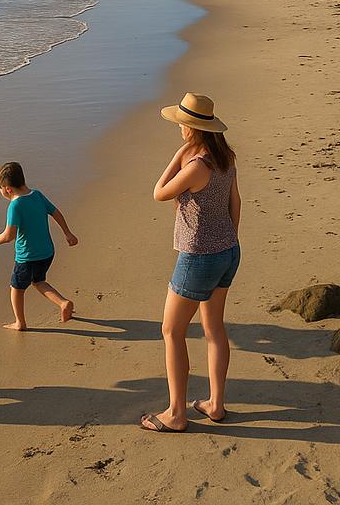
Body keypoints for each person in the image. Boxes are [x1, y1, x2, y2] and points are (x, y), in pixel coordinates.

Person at [140, 93, 240, 434]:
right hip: (228, 251)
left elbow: (159, 192)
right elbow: (235, 202)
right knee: (214, 329)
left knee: (171, 331)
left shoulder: (196, 165)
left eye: (182, 125)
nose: (179, 129)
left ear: (191, 128)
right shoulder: (225, 157)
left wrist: (178, 155)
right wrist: (228, 238)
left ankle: (176, 413)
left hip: (199, 257)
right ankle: (216, 404)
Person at [0, 161, 79, 330]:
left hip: (27, 257)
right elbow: (55, 212)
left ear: (7, 189)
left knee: (16, 288)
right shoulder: (37, 195)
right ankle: (63, 303)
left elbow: (8, 236)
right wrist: (67, 233)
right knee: (39, 281)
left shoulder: (15, 205)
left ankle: (20, 322)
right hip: (47, 252)